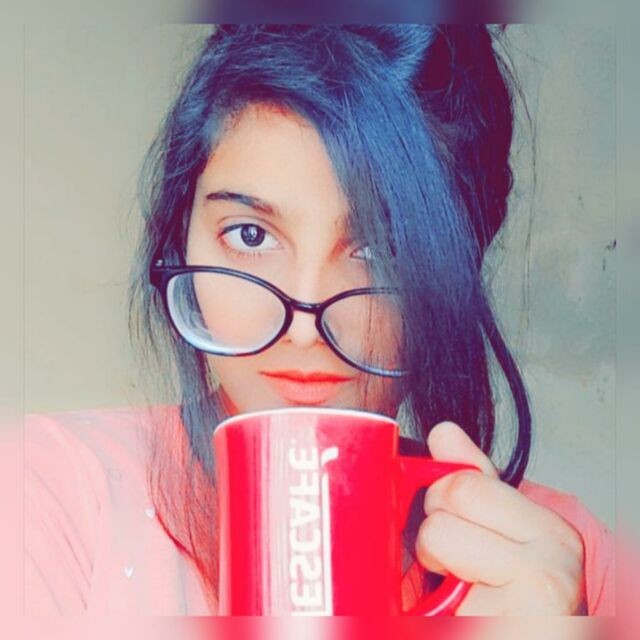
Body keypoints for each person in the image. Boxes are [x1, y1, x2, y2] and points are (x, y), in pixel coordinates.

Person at [25, 24, 614, 615]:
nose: (304, 330)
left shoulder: (573, 567)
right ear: (184, 239)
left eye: (381, 248)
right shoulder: (52, 497)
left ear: (462, 264)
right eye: (250, 235)